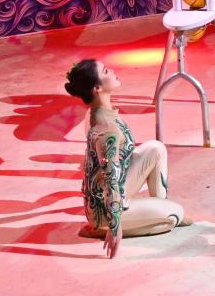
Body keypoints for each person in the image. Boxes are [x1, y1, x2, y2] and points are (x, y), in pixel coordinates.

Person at [64, 59, 189, 259]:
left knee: (155, 148)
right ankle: (103, 227)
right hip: (107, 207)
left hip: (115, 188)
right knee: (174, 215)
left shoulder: (100, 112)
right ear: (97, 88)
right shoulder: (107, 129)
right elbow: (110, 179)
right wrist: (114, 227)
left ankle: (156, 208)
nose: (112, 71)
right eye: (106, 71)